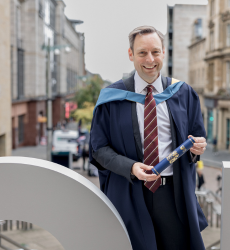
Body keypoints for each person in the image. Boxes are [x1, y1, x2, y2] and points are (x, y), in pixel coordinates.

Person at [89, 26, 208, 250]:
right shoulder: (112, 98)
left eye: (155, 52)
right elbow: (98, 149)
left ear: (163, 52)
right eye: (142, 52)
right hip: (129, 193)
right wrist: (132, 167)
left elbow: (197, 137)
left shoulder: (183, 93)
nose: (150, 59)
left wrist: (197, 148)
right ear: (131, 54)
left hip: (173, 196)